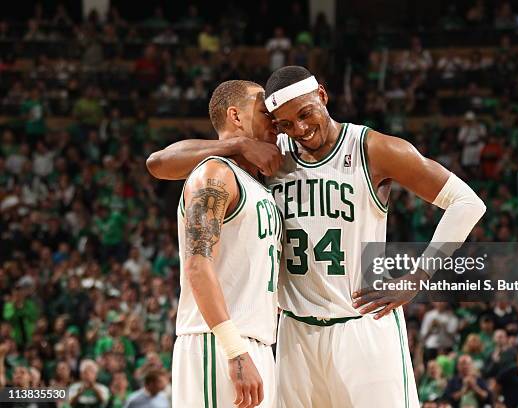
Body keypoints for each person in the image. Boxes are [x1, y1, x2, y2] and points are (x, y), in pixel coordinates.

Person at [147, 66, 486, 408]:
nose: (301, 129)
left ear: (323, 96)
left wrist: (419, 275)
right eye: (285, 124)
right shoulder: (270, 153)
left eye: (306, 114)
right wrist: (241, 143)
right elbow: (161, 162)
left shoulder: (373, 148)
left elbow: (467, 202)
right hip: (296, 334)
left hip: (361, 324)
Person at [170, 80, 282, 408]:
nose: (273, 121)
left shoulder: (255, 182)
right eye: (264, 112)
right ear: (236, 116)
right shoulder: (215, 173)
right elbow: (197, 264)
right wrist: (234, 351)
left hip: (257, 343)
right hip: (218, 344)